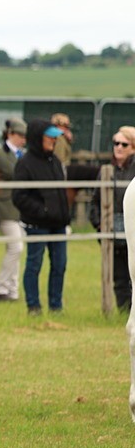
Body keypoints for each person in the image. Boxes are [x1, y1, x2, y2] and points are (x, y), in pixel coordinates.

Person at [13, 119, 70, 316]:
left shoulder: (55, 162)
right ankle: (33, 306)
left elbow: (61, 193)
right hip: (37, 225)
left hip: (58, 224)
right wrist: (42, 211)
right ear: (38, 138)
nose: (54, 140)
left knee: (60, 265)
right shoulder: (25, 164)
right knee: (34, 264)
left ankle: (56, 306)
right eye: (50, 136)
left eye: (55, 136)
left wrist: (62, 214)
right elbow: (19, 197)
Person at [88, 126, 135, 311]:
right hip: (111, 230)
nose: (119, 147)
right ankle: (124, 311)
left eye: (124, 144)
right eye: (116, 143)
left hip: (131, 227)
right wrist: (99, 224)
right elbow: (95, 200)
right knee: (119, 277)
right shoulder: (107, 171)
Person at [0, 118, 27, 302]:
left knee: (14, 247)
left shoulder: (23, 155)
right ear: (11, 134)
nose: (24, 139)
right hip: (4, 207)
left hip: (20, 207)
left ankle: (12, 291)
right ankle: (1, 288)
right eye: (21, 135)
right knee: (16, 247)